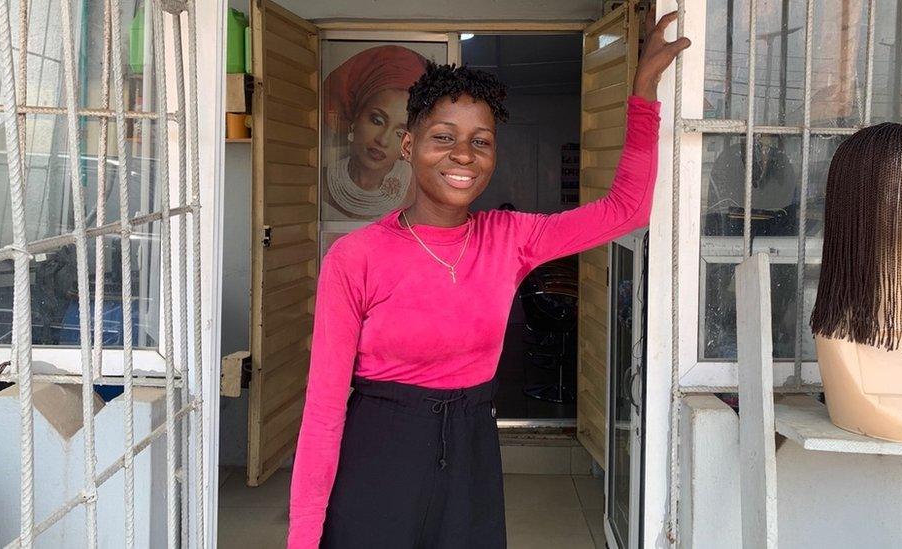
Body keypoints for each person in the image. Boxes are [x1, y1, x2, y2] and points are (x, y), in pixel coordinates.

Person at [289, 10, 689, 548]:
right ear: (409, 146)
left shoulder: (510, 238)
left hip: (473, 450)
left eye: (481, 142)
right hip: (377, 455)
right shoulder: (355, 257)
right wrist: (303, 537)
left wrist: (643, 95)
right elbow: (322, 411)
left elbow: (626, 211)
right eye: (443, 137)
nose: (463, 155)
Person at [323, 45, 429, 219]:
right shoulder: (320, 185)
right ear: (355, 118)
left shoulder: (418, 192)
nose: (383, 140)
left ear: (410, 142)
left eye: (399, 132)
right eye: (377, 120)